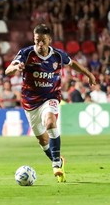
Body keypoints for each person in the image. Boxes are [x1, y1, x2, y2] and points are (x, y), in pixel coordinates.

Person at [5, 24, 96, 183]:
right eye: (37, 40)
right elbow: (8, 71)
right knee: (42, 140)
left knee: (50, 122)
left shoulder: (58, 55)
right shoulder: (26, 53)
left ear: (49, 40)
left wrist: (88, 74)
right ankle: (57, 159)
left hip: (51, 97)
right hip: (31, 102)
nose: (40, 44)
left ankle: (56, 165)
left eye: (43, 41)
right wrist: (15, 68)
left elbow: (72, 63)